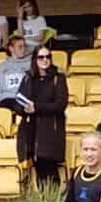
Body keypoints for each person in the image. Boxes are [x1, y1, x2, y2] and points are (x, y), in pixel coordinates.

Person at [17, 44, 69, 186]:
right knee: (38, 168)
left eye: (48, 57)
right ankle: (43, 197)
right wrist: (25, 108)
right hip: (31, 130)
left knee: (50, 169)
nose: (45, 60)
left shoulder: (58, 78)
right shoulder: (28, 78)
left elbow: (60, 105)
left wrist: (36, 108)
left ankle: (53, 197)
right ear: (35, 59)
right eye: (41, 57)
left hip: (50, 131)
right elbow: (19, 103)